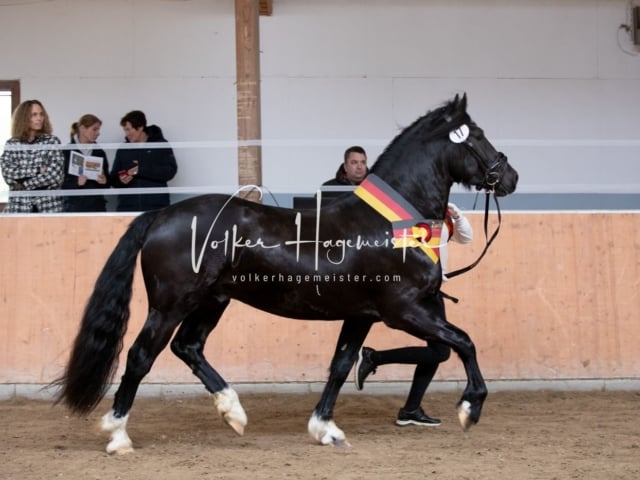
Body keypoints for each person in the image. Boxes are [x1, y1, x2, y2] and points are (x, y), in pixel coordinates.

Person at [354, 202, 473, 427]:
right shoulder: (409, 212)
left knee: (437, 351)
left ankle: (410, 408)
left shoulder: (442, 215)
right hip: (419, 290)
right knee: (440, 351)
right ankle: (374, 359)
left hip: (433, 290)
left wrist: (457, 215)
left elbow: (466, 237)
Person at [0, 99, 65, 213]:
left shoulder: (52, 141)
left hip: (48, 208)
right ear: (23, 118)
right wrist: (38, 170)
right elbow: (9, 174)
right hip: (19, 209)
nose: (39, 118)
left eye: (41, 114)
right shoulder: (12, 143)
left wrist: (23, 185)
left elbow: (55, 176)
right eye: (34, 115)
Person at [109, 110, 177, 212]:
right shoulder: (123, 149)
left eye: (128, 129)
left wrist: (140, 169)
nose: (126, 134)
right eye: (125, 130)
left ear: (140, 127)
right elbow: (113, 178)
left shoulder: (160, 144)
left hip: (156, 207)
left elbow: (169, 172)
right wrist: (121, 180)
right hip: (127, 207)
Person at [61, 114, 110, 212]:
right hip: (73, 207)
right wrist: (76, 183)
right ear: (82, 128)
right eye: (94, 129)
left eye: (99, 129)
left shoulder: (99, 152)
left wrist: (105, 181)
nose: (98, 133)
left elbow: (108, 182)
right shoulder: (67, 151)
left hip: (97, 206)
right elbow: (59, 182)